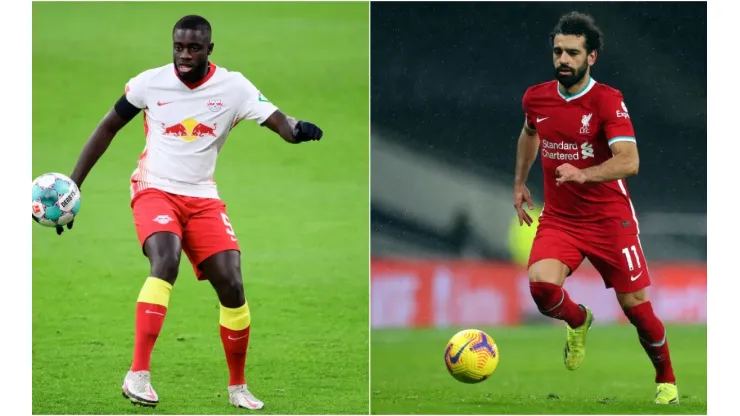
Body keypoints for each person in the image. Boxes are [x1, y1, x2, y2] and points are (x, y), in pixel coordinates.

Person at [59, 15, 323, 410]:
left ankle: (238, 388)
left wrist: (298, 128)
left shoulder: (234, 87)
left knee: (232, 284)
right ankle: (138, 375)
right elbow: (107, 128)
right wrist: (73, 185)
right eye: (179, 47)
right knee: (164, 261)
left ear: (209, 50)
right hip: (155, 190)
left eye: (194, 48)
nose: (185, 55)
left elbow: (278, 121)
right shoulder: (150, 83)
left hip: (202, 197)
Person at [513, 11, 678, 405]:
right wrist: (519, 182)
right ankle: (578, 319)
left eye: (572, 52)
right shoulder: (536, 97)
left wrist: (585, 175)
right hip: (561, 218)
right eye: (557, 52)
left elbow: (629, 161)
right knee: (541, 287)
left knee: (635, 307)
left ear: (591, 58)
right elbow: (529, 133)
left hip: (609, 219)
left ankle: (666, 380)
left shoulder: (607, 100)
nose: (562, 60)